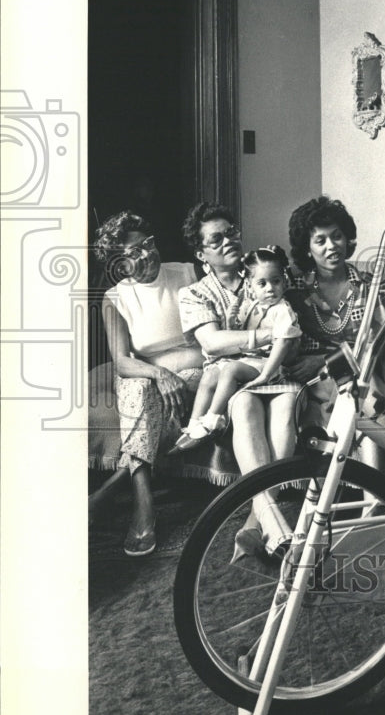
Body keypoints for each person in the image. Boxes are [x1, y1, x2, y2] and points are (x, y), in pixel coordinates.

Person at [177, 202, 302, 559]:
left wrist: (280, 339)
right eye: (216, 239)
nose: (229, 241)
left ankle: (258, 521)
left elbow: (291, 343)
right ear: (201, 253)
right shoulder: (195, 293)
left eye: (231, 232)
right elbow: (213, 343)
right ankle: (270, 525)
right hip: (236, 380)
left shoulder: (265, 272)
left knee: (287, 405)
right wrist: (270, 334)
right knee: (244, 405)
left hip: (279, 373)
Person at [285, 195, 385, 489]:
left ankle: (378, 498)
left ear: (347, 238)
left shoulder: (366, 284)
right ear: (307, 247)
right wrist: (320, 362)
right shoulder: (294, 288)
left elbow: (374, 343)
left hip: (363, 370)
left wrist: (327, 359)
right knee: (363, 388)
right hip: (315, 381)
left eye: (337, 236)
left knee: (360, 388)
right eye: (320, 240)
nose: (331, 246)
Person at [90, 211, 204, 556]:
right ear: (120, 264)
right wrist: (159, 374)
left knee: (148, 396)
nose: (148, 253)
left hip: (197, 372)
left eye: (149, 244)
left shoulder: (186, 272)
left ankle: (108, 493)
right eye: (136, 251)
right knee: (137, 388)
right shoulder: (116, 297)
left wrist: (170, 374)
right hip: (151, 376)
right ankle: (144, 502)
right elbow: (123, 361)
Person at [170, 245, 301, 454]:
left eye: (275, 281)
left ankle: (213, 418)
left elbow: (283, 342)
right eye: (262, 283)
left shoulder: (282, 309)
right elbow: (236, 338)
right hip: (252, 360)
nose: (270, 288)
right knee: (211, 374)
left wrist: (266, 375)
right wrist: (231, 321)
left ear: (284, 282)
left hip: (271, 365)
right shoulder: (253, 306)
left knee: (230, 370)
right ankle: (195, 424)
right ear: (250, 285)